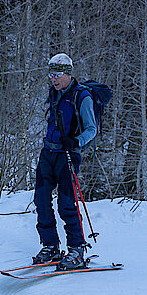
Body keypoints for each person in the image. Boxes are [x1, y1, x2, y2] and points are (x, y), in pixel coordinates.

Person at [33, 52, 98, 271]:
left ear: (68, 74)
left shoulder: (82, 96)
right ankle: (50, 245)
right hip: (48, 153)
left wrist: (76, 141)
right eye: (50, 74)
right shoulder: (54, 93)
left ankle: (77, 249)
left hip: (68, 155)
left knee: (66, 203)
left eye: (58, 74)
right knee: (41, 200)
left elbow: (92, 129)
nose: (53, 78)